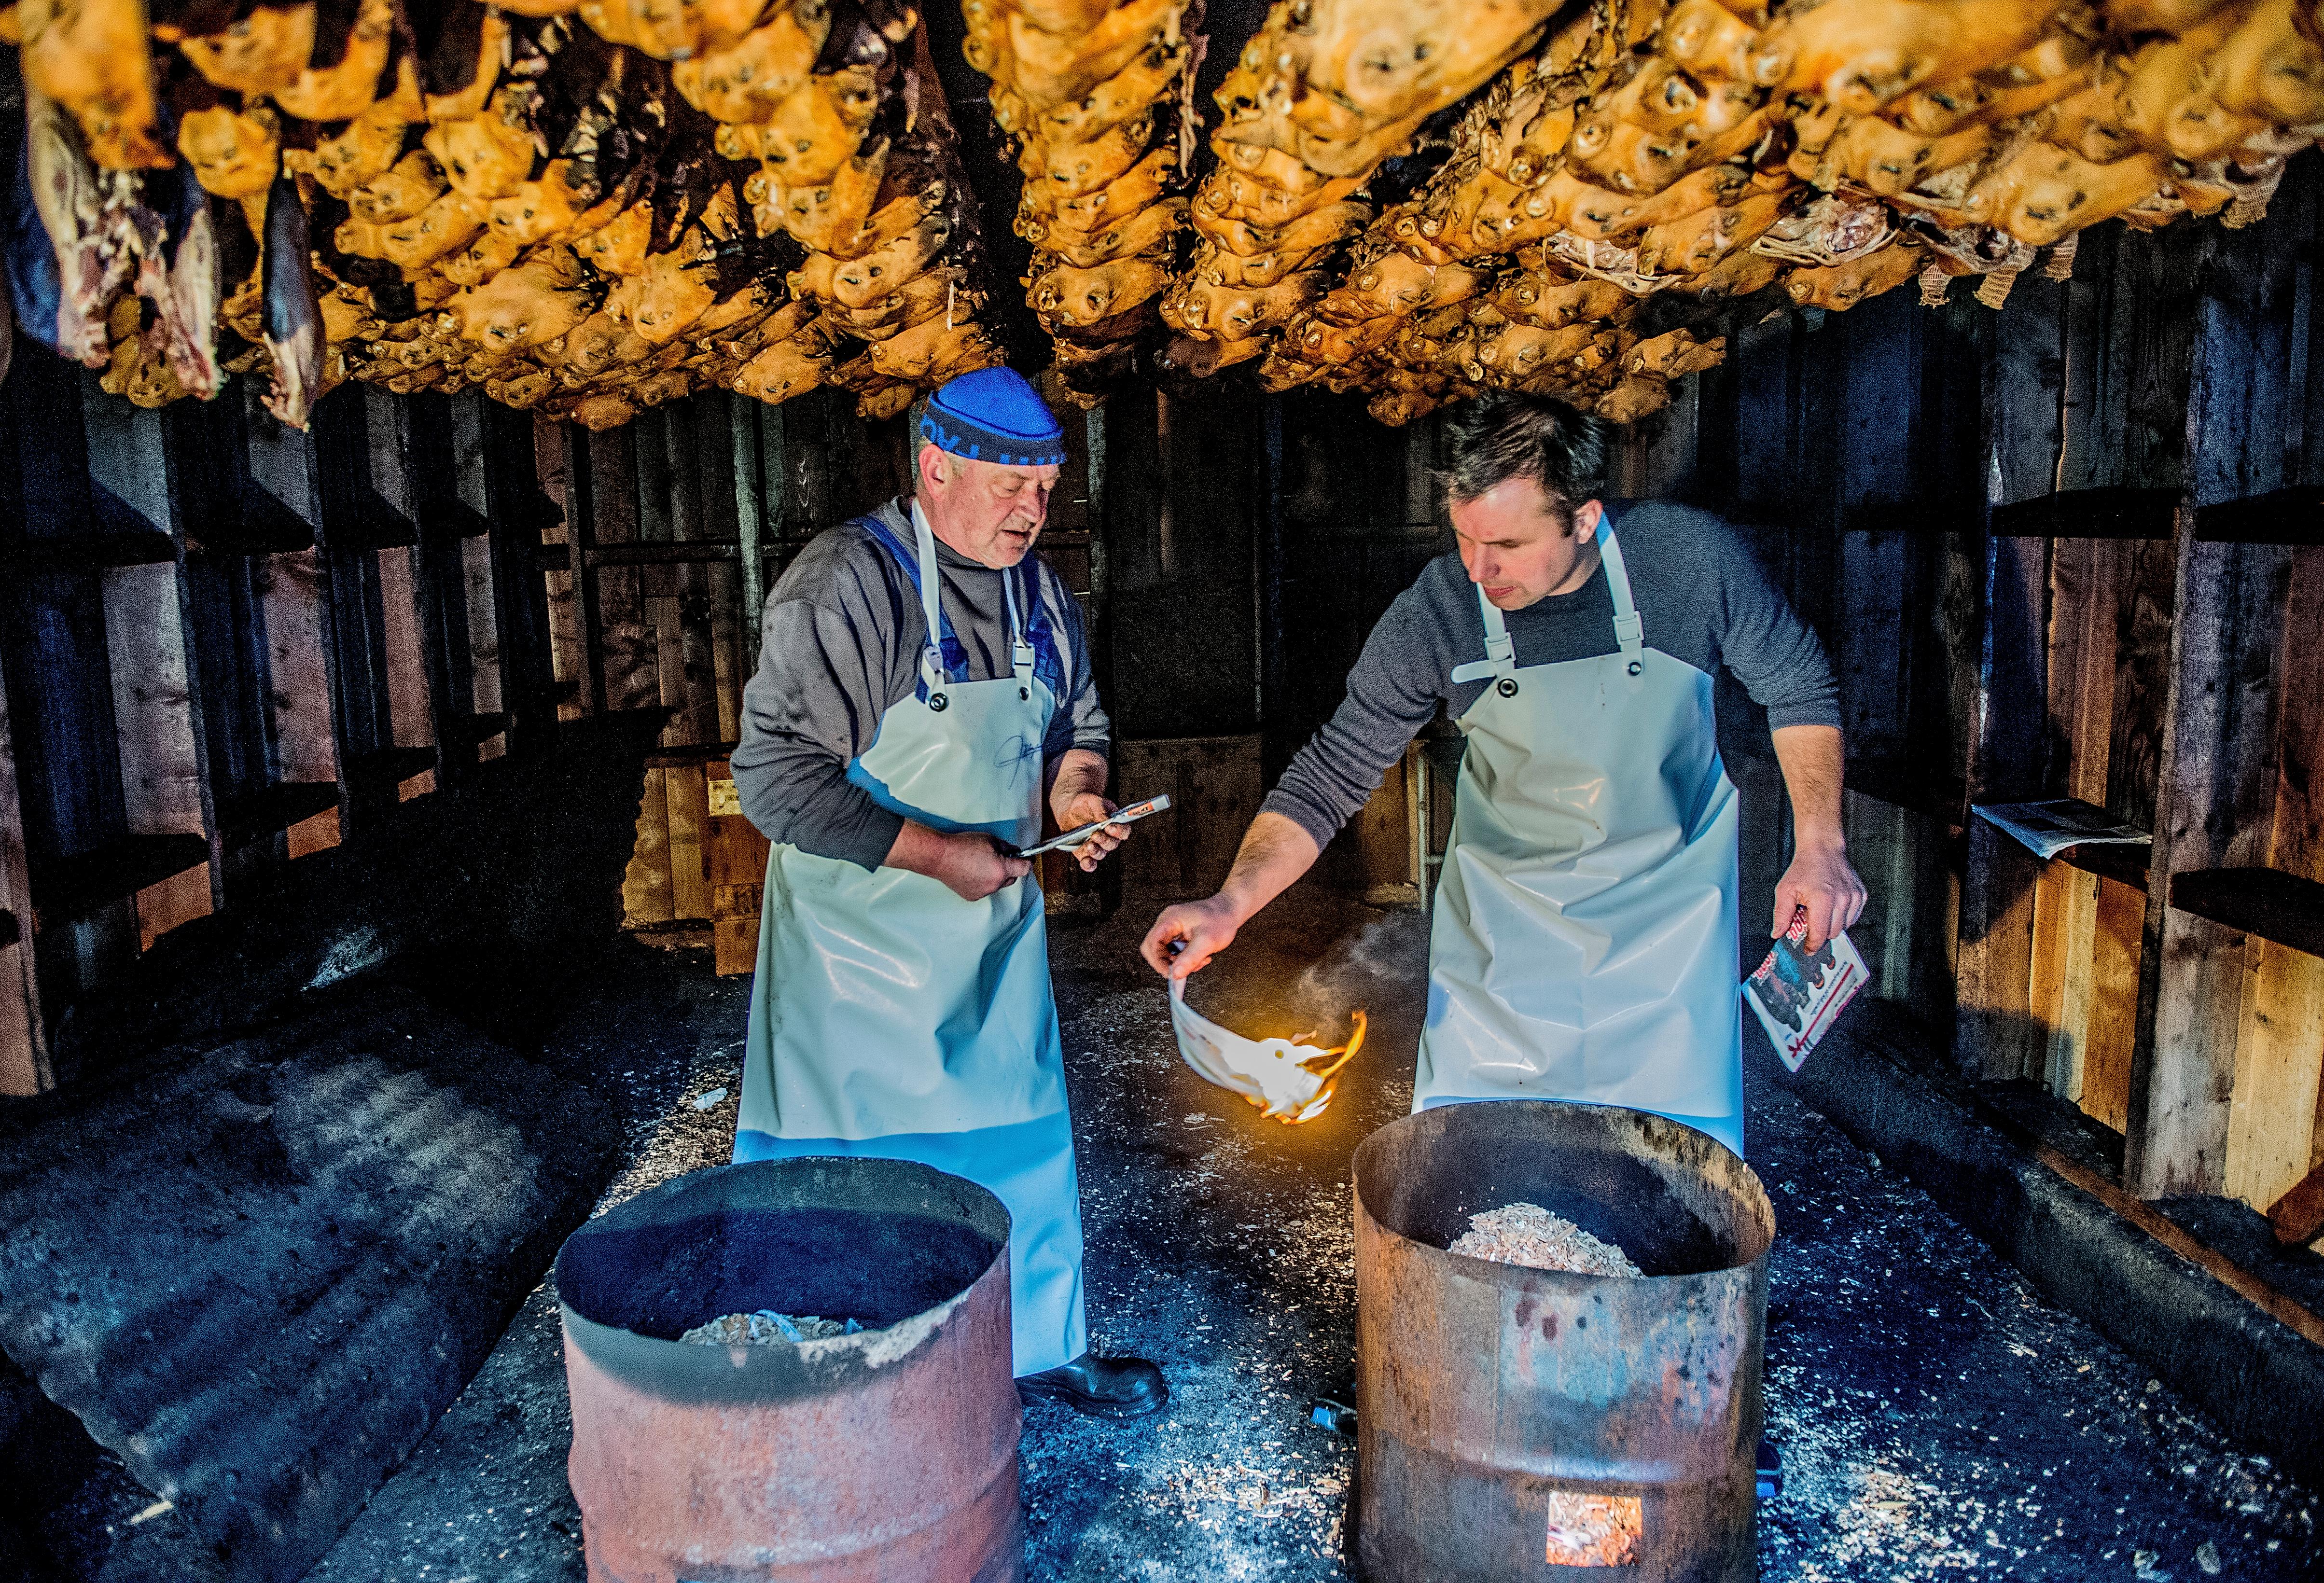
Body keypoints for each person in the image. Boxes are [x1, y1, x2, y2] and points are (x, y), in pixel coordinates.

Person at [1141, 392, 1867, 1155]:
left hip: (1668, 968)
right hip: (1499, 977)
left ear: (1583, 519)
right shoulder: (1441, 609)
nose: (1480, 569)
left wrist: (1821, 843)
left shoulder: (1688, 562)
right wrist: (1233, 901)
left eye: (1510, 546)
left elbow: (1798, 684)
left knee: (1668, 1206)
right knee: (1477, 1200)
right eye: (1464, 538)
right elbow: (1331, 772)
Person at [730, 367, 1167, 1416]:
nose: (1034, 513)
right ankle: (830, 1374)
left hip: (987, 950)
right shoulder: (845, 585)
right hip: (855, 966)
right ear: (934, 469)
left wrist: (1077, 795)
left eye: (1047, 491)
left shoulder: (1044, 596)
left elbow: (1077, 727)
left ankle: (1034, 1344)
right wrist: (940, 854)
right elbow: (774, 779)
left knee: (1015, 1143)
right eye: (1011, 489)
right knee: (852, 1177)